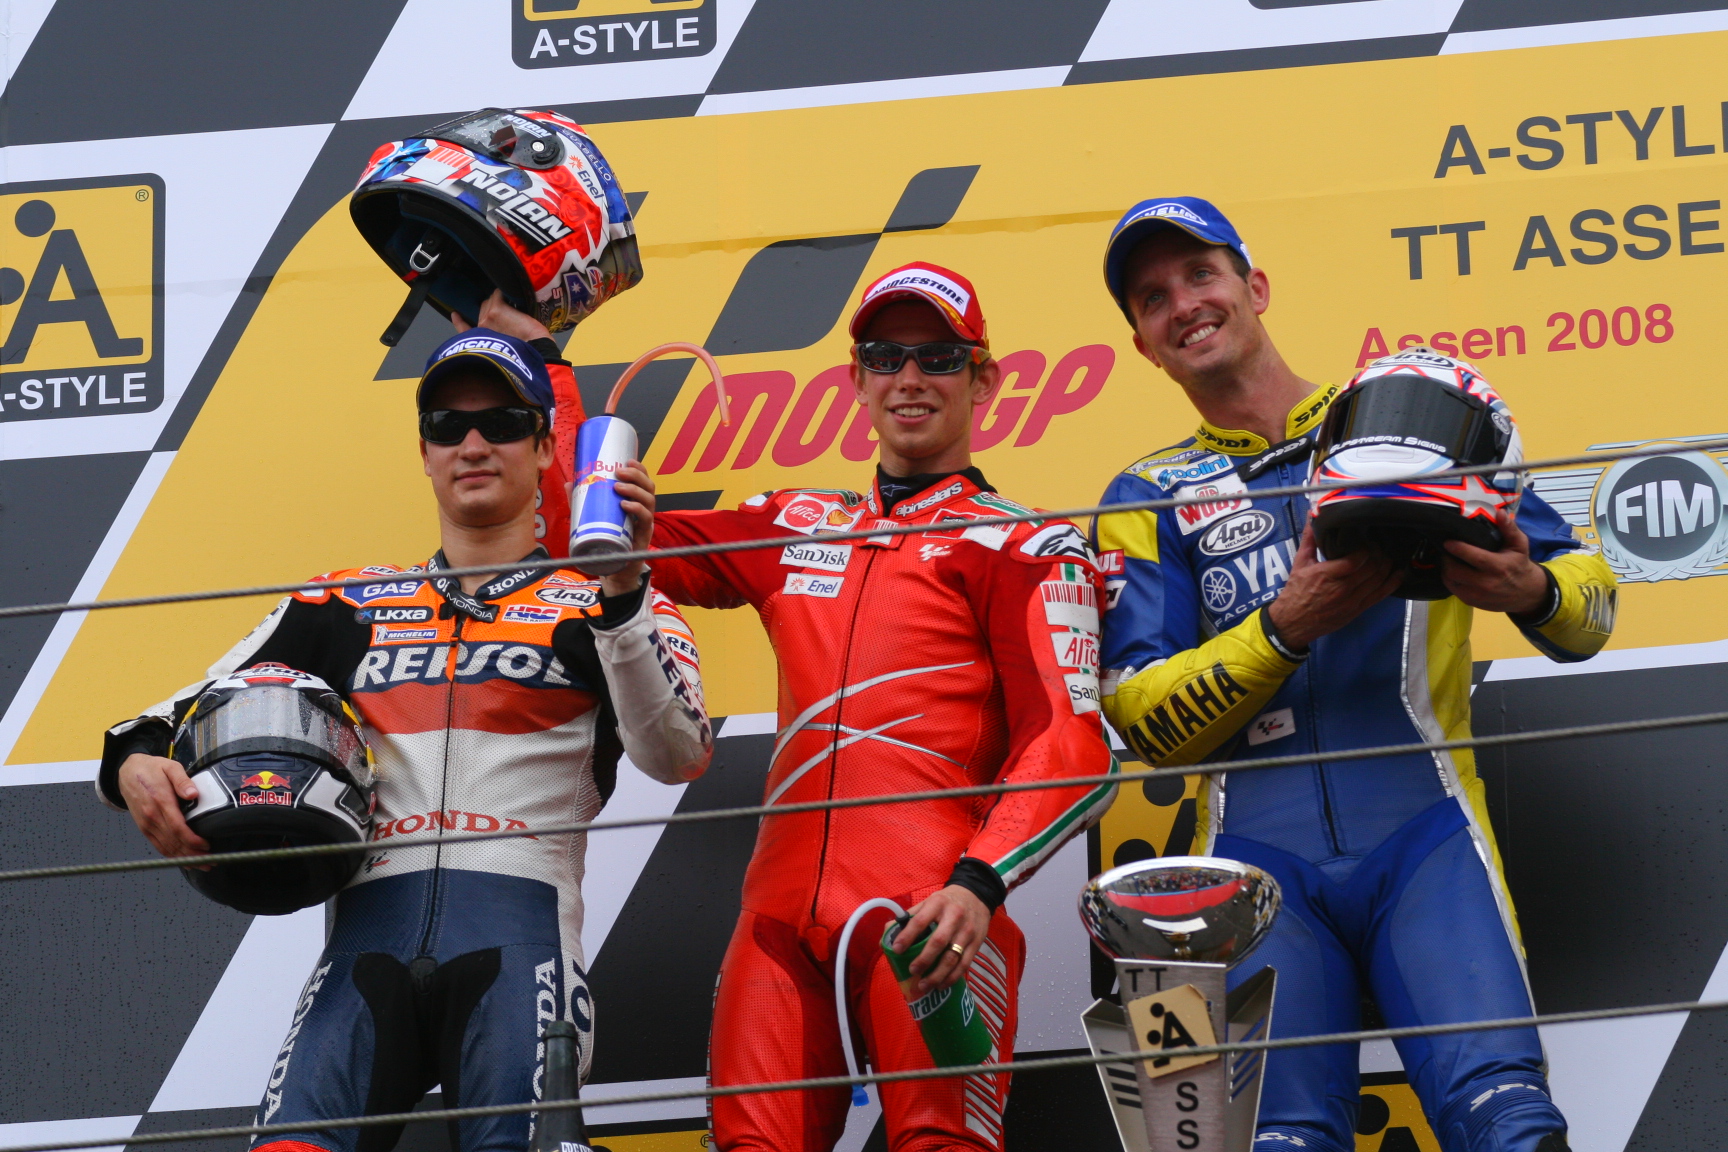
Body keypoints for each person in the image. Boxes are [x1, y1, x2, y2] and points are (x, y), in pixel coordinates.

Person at [96, 312, 712, 1152]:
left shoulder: (605, 598)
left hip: (521, 944)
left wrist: (626, 592)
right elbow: (176, 714)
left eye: (502, 423)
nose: (472, 443)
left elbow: (680, 755)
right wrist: (133, 762)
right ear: (423, 452)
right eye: (445, 424)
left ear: (545, 451)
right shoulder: (342, 602)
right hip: (363, 946)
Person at [1091, 197, 1616, 1152]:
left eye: (1200, 274)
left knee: (1511, 1125)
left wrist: (1526, 584)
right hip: (1256, 865)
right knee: (1283, 1140)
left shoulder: (1407, 413)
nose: (1183, 303)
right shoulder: (1146, 496)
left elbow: (1591, 606)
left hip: (1427, 838)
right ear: (1144, 345)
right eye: (1153, 297)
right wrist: (1286, 629)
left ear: (1254, 287)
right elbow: (1138, 716)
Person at [642, 262, 1119, 1151]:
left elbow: (1072, 744)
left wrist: (980, 885)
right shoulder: (797, 523)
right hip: (776, 926)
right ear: (855, 377)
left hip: (933, 920)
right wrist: (543, 371)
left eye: (938, 357)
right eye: (885, 355)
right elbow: (607, 549)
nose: (909, 378)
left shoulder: (1029, 543)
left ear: (985, 379)